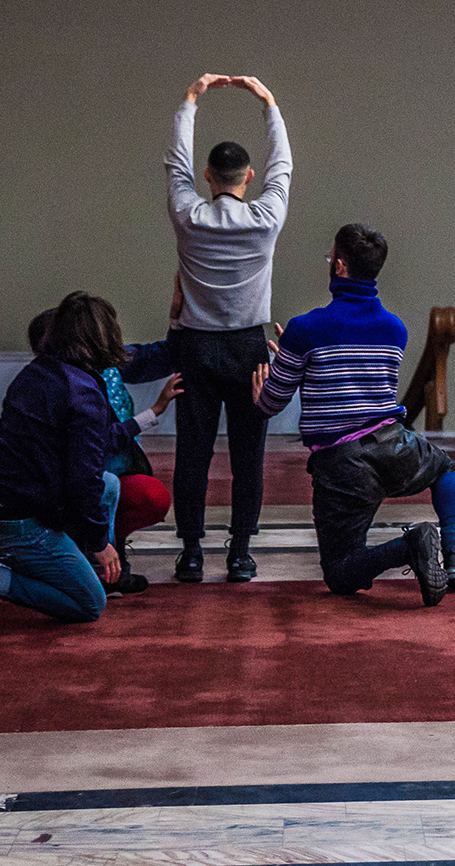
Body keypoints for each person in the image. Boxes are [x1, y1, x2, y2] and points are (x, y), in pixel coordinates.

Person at [253, 223, 455, 603]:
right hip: (393, 445)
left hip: (342, 465)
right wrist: (296, 349)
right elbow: (359, 381)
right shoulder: (395, 330)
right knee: (445, 468)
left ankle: (409, 546)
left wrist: (274, 372)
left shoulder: (305, 329)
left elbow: (273, 403)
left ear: (338, 266)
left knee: (341, 573)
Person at [0, 292, 136, 629]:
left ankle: (71, 566)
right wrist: (100, 544)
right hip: (16, 521)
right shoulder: (83, 394)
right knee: (89, 603)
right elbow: (81, 482)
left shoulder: (38, 371)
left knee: (110, 486)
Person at [165, 73, 291, 586]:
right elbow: (284, 166)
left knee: (192, 453)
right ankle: (240, 553)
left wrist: (191, 99)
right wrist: (269, 103)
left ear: (208, 177)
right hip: (247, 347)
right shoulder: (266, 218)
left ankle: (191, 554)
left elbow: (174, 163)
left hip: (194, 345)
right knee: (249, 456)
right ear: (248, 177)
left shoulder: (187, 213)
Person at [25, 306, 179, 596]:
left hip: (102, 472)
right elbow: (87, 456)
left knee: (139, 493)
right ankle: (89, 564)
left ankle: (108, 561)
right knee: (99, 487)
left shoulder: (102, 364)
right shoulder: (62, 385)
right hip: (68, 485)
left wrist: (178, 317)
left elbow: (160, 356)